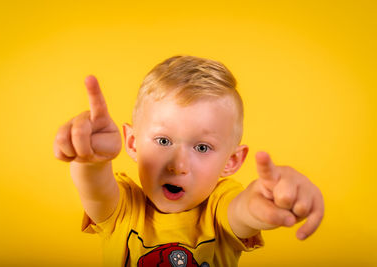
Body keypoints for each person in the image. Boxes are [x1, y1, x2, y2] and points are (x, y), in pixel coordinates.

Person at [53, 55, 324, 266]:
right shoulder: (125, 208)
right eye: (163, 141)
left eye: (203, 147)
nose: (178, 165)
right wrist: (91, 160)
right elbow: (96, 190)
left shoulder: (218, 210)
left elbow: (245, 210)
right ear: (133, 143)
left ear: (231, 161)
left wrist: (269, 198)